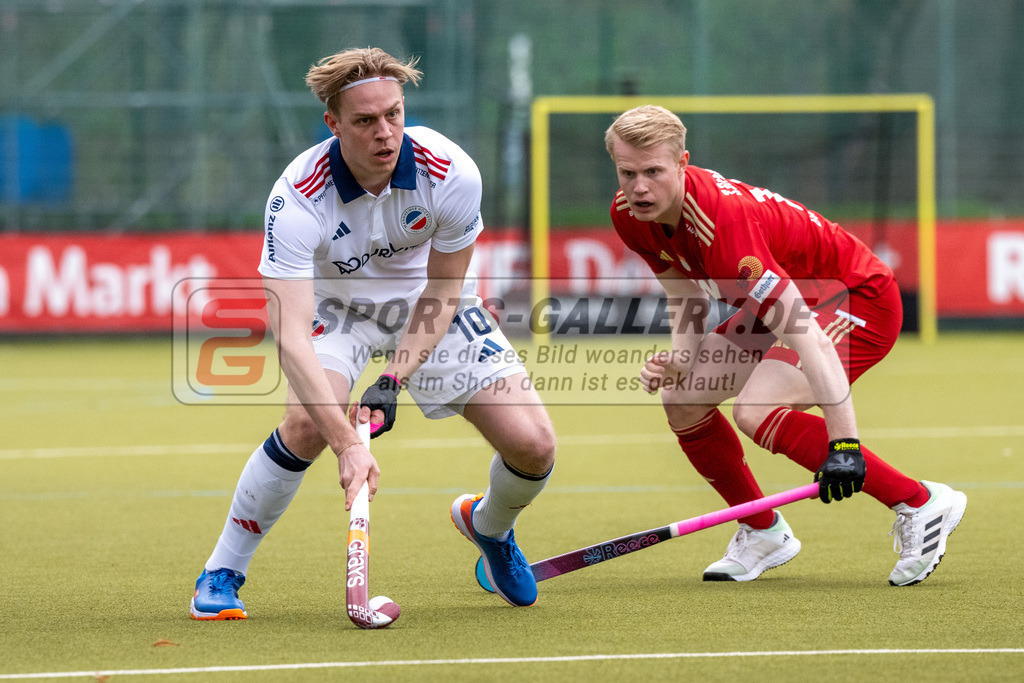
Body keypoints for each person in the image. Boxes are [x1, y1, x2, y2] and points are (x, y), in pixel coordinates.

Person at [189, 47, 555, 619]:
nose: (385, 133)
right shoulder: (296, 196)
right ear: (333, 124)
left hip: (427, 306)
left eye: (394, 114)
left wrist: (392, 379)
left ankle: (490, 528)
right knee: (308, 420)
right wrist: (347, 444)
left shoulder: (451, 171)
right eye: (365, 121)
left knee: (534, 446)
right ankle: (222, 570)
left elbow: (442, 291)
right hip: (339, 309)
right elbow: (288, 336)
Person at [604, 105, 965, 586]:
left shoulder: (725, 229)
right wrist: (682, 360)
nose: (640, 186)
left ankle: (921, 502)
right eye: (628, 173)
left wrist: (844, 444)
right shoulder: (630, 214)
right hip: (791, 300)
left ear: (683, 163)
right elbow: (684, 293)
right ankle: (762, 531)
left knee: (755, 409)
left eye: (654, 172)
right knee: (684, 398)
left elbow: (808, 336)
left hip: (853, 294)